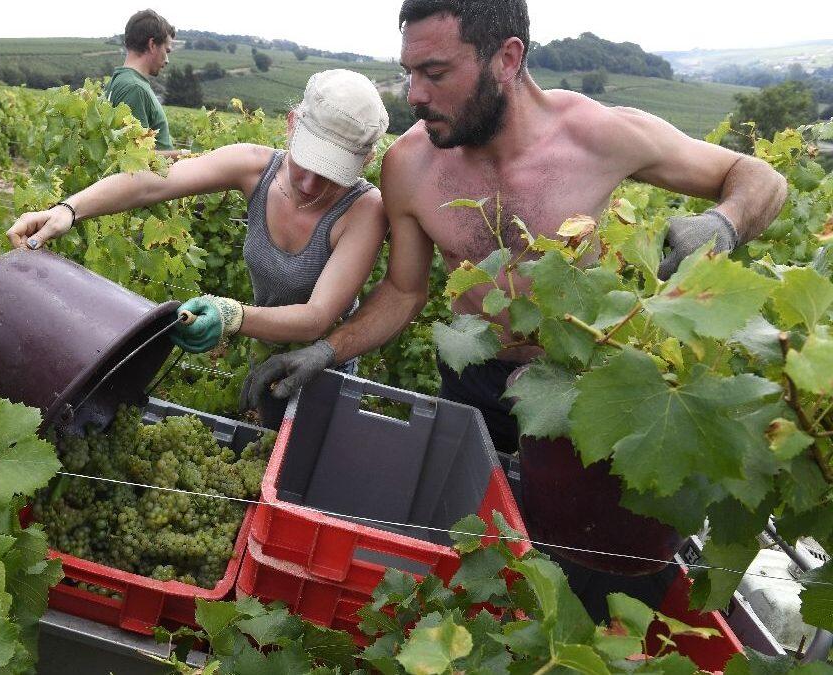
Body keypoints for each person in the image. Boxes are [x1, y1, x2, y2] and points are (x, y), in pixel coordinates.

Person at [242, 0, 787, 621]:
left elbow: (759, 177)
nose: (413, 95)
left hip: (580, 394)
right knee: (470, 569)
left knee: (569, 584)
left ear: (507, 58)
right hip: (474, 384)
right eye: (409, 71)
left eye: (436, 73)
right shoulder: (411, 165)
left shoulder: (596, 134)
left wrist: (724, 222)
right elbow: (404, 292)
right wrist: (324, 348)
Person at [7, 69, 390, 423]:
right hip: (263, 349)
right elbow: (152, 182)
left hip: (321, 370)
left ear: (365, 161)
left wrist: (232, 316)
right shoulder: (254, 167)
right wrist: (69, 209)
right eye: (305, 163)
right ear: (291, 125)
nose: (309, 185)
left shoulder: (364, 211)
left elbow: (317, 318)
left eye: (330, 174)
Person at [106, 10, 183, 157]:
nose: (167, 60)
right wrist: (186, 155)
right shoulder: (134, 88)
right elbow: (138, 157)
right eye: (166, 51)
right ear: (152, 44)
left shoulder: (118, 81)